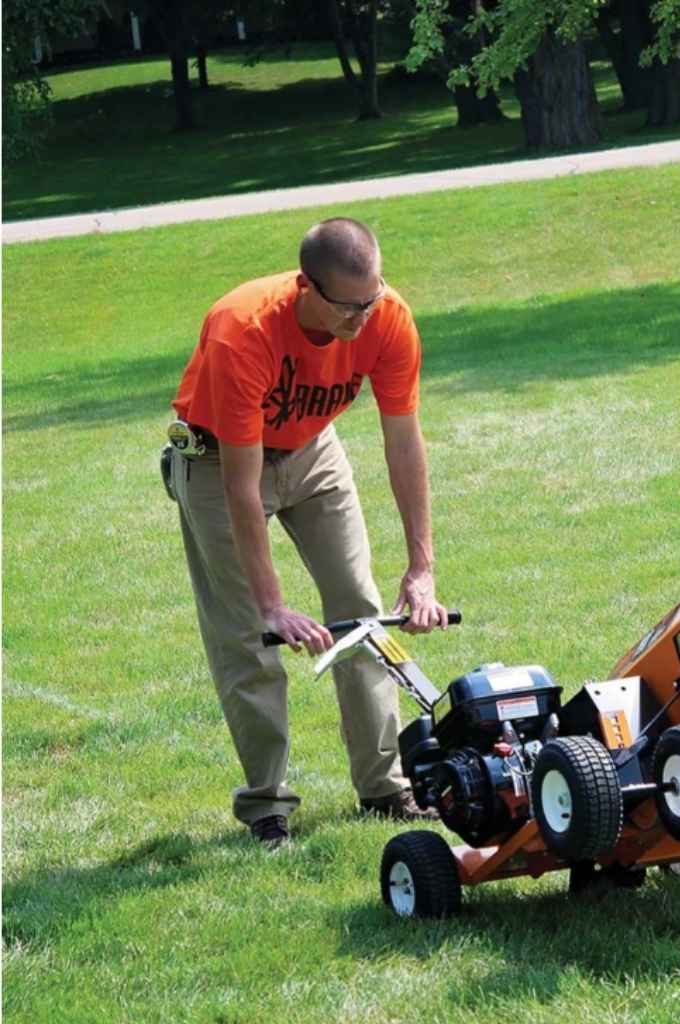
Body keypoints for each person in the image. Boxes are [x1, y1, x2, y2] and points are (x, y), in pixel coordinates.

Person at [165, 217, 446, 848]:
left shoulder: (388, 316)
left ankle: (385, 786)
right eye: (348, 307)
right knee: (250, 636)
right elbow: (242, 486)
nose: (362, 318)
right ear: (305, 288)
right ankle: (267, 806)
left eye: (371, 299)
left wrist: (422, 567)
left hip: (314, 449)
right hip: (217, 460)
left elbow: (403, 442)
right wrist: (273, 605)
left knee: (362, 609)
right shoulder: (244, 330)